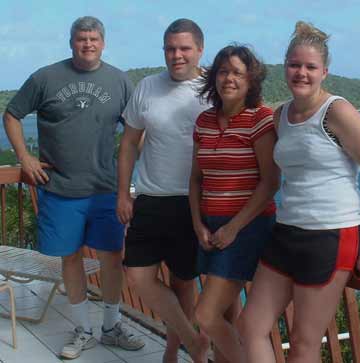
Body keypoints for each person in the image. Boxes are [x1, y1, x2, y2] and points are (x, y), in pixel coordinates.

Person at [238, 21, 360, 363]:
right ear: (286, 67)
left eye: (310, 67)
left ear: (325, 71)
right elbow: (271, 174)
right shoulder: (281, 116)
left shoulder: (337, 112)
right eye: (295, 65)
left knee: (304, 342)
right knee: (250, 326)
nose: (301, 73)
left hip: (332, 234)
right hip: (288, 230)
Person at [3, 16, 145, 360]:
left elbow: (135, 131)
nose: (88, 44)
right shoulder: (45, 77)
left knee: (113, 257)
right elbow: (12, 114)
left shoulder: (119, 81)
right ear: (71, 42)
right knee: (71, 259)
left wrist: (134, 174)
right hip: (61, 189)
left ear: (103, 42)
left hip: (106, 188)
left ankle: (111, 327)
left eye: (94, 39)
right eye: (81, 39)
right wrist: (25, 158)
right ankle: (82, 330)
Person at [117, 18, 210, 363]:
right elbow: (128, 143)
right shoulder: (147, 87)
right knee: (138, 276)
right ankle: (194, 341)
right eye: (170, 48)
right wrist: (123, 194)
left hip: (192, 203)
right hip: (150, 197)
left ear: (200, 49)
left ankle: (173, 353)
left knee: (184, 282)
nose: (177, 55)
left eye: (184, 48)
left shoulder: (213, 90)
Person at [189, 45, 279, 363]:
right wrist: (198, 224)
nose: (229, 78)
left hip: (246, 227)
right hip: (211, 226)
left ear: (251, 80)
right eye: (224, 71)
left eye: (238, 72)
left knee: (205, 314)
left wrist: (233, 227)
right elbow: (196, 180)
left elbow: (270, 182)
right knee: (225, 313)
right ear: (214, 77)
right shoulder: (204, 121)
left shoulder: (260, 118)